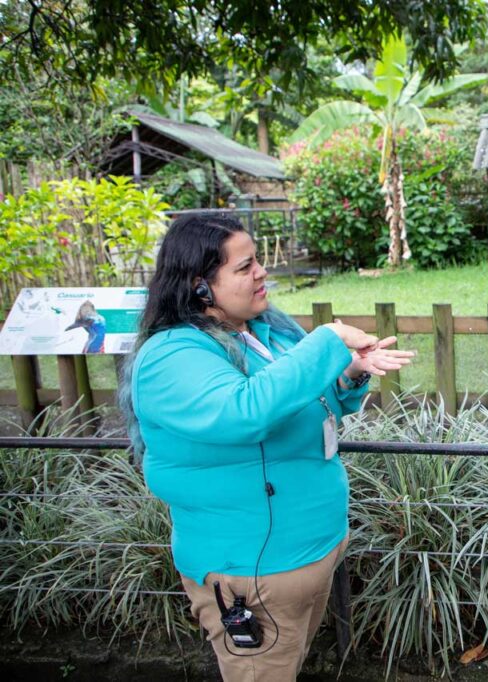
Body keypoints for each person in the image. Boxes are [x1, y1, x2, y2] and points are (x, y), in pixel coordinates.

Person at [119, 213, 413, 681]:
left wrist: (349, 373)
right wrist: (329, 339)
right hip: (251, 572)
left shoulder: (260, 331)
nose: (262, 273)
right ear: (199, 285)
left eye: (258, 261)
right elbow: (245, 412)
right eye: (245, 266)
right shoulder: (172, 355)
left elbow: (307, 404)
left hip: (308, 552)